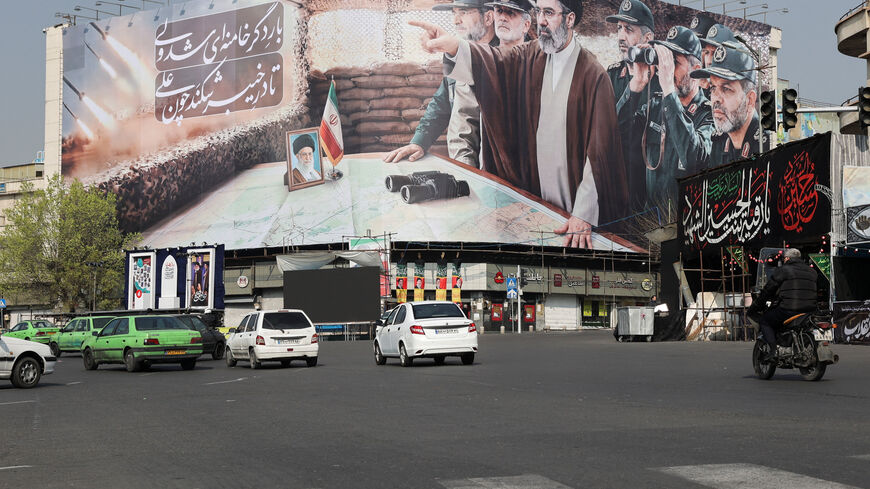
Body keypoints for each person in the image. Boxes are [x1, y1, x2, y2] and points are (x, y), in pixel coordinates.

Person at [410, 0, 629, 248]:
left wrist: (583, 213)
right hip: (532, 198)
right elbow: (493, 62)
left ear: (569, 20)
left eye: (549, 13)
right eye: (538, 13)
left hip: (572, 207)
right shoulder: (529, 55)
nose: (541, 21)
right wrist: (453, 47)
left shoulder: (592, 73)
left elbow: (600, 151)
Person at [383, 0, 498, 164]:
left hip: (498, 172)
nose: (456, 20)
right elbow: (441, 103)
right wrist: (419, 142)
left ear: (488, 18)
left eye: (464, 12)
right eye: (454, 13)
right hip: (466, 165)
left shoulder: (508, 59)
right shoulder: (458, 57)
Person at [617, 26, 714, 207]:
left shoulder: (709, 115)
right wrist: (637, 83)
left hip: (684, 223)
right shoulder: (655, 106)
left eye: (674, 63)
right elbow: (616, 136)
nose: (665, 70)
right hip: (650, 221)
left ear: (696, 70)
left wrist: (668, 89)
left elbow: (694, 160)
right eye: (663, 62)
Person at [690, 44, 759, 168]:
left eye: (726, 89)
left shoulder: (766, 144)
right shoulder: (719, 143)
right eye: (713, 88)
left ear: (750, 100)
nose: (716, 98)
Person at [755, 248, 818, 362]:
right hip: (809, 310)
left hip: (790, 309)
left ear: (787, 258)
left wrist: (758, 304)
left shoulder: (784, 270)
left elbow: (769, 289)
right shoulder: (812, 271)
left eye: (784, 259)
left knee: (765, 320)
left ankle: (773, 350)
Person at [604, 0, 656, 113]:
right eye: (619, 28)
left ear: (647, 38)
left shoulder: (661, 79)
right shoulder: (612, 75)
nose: (621, 37)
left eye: (628, 29)